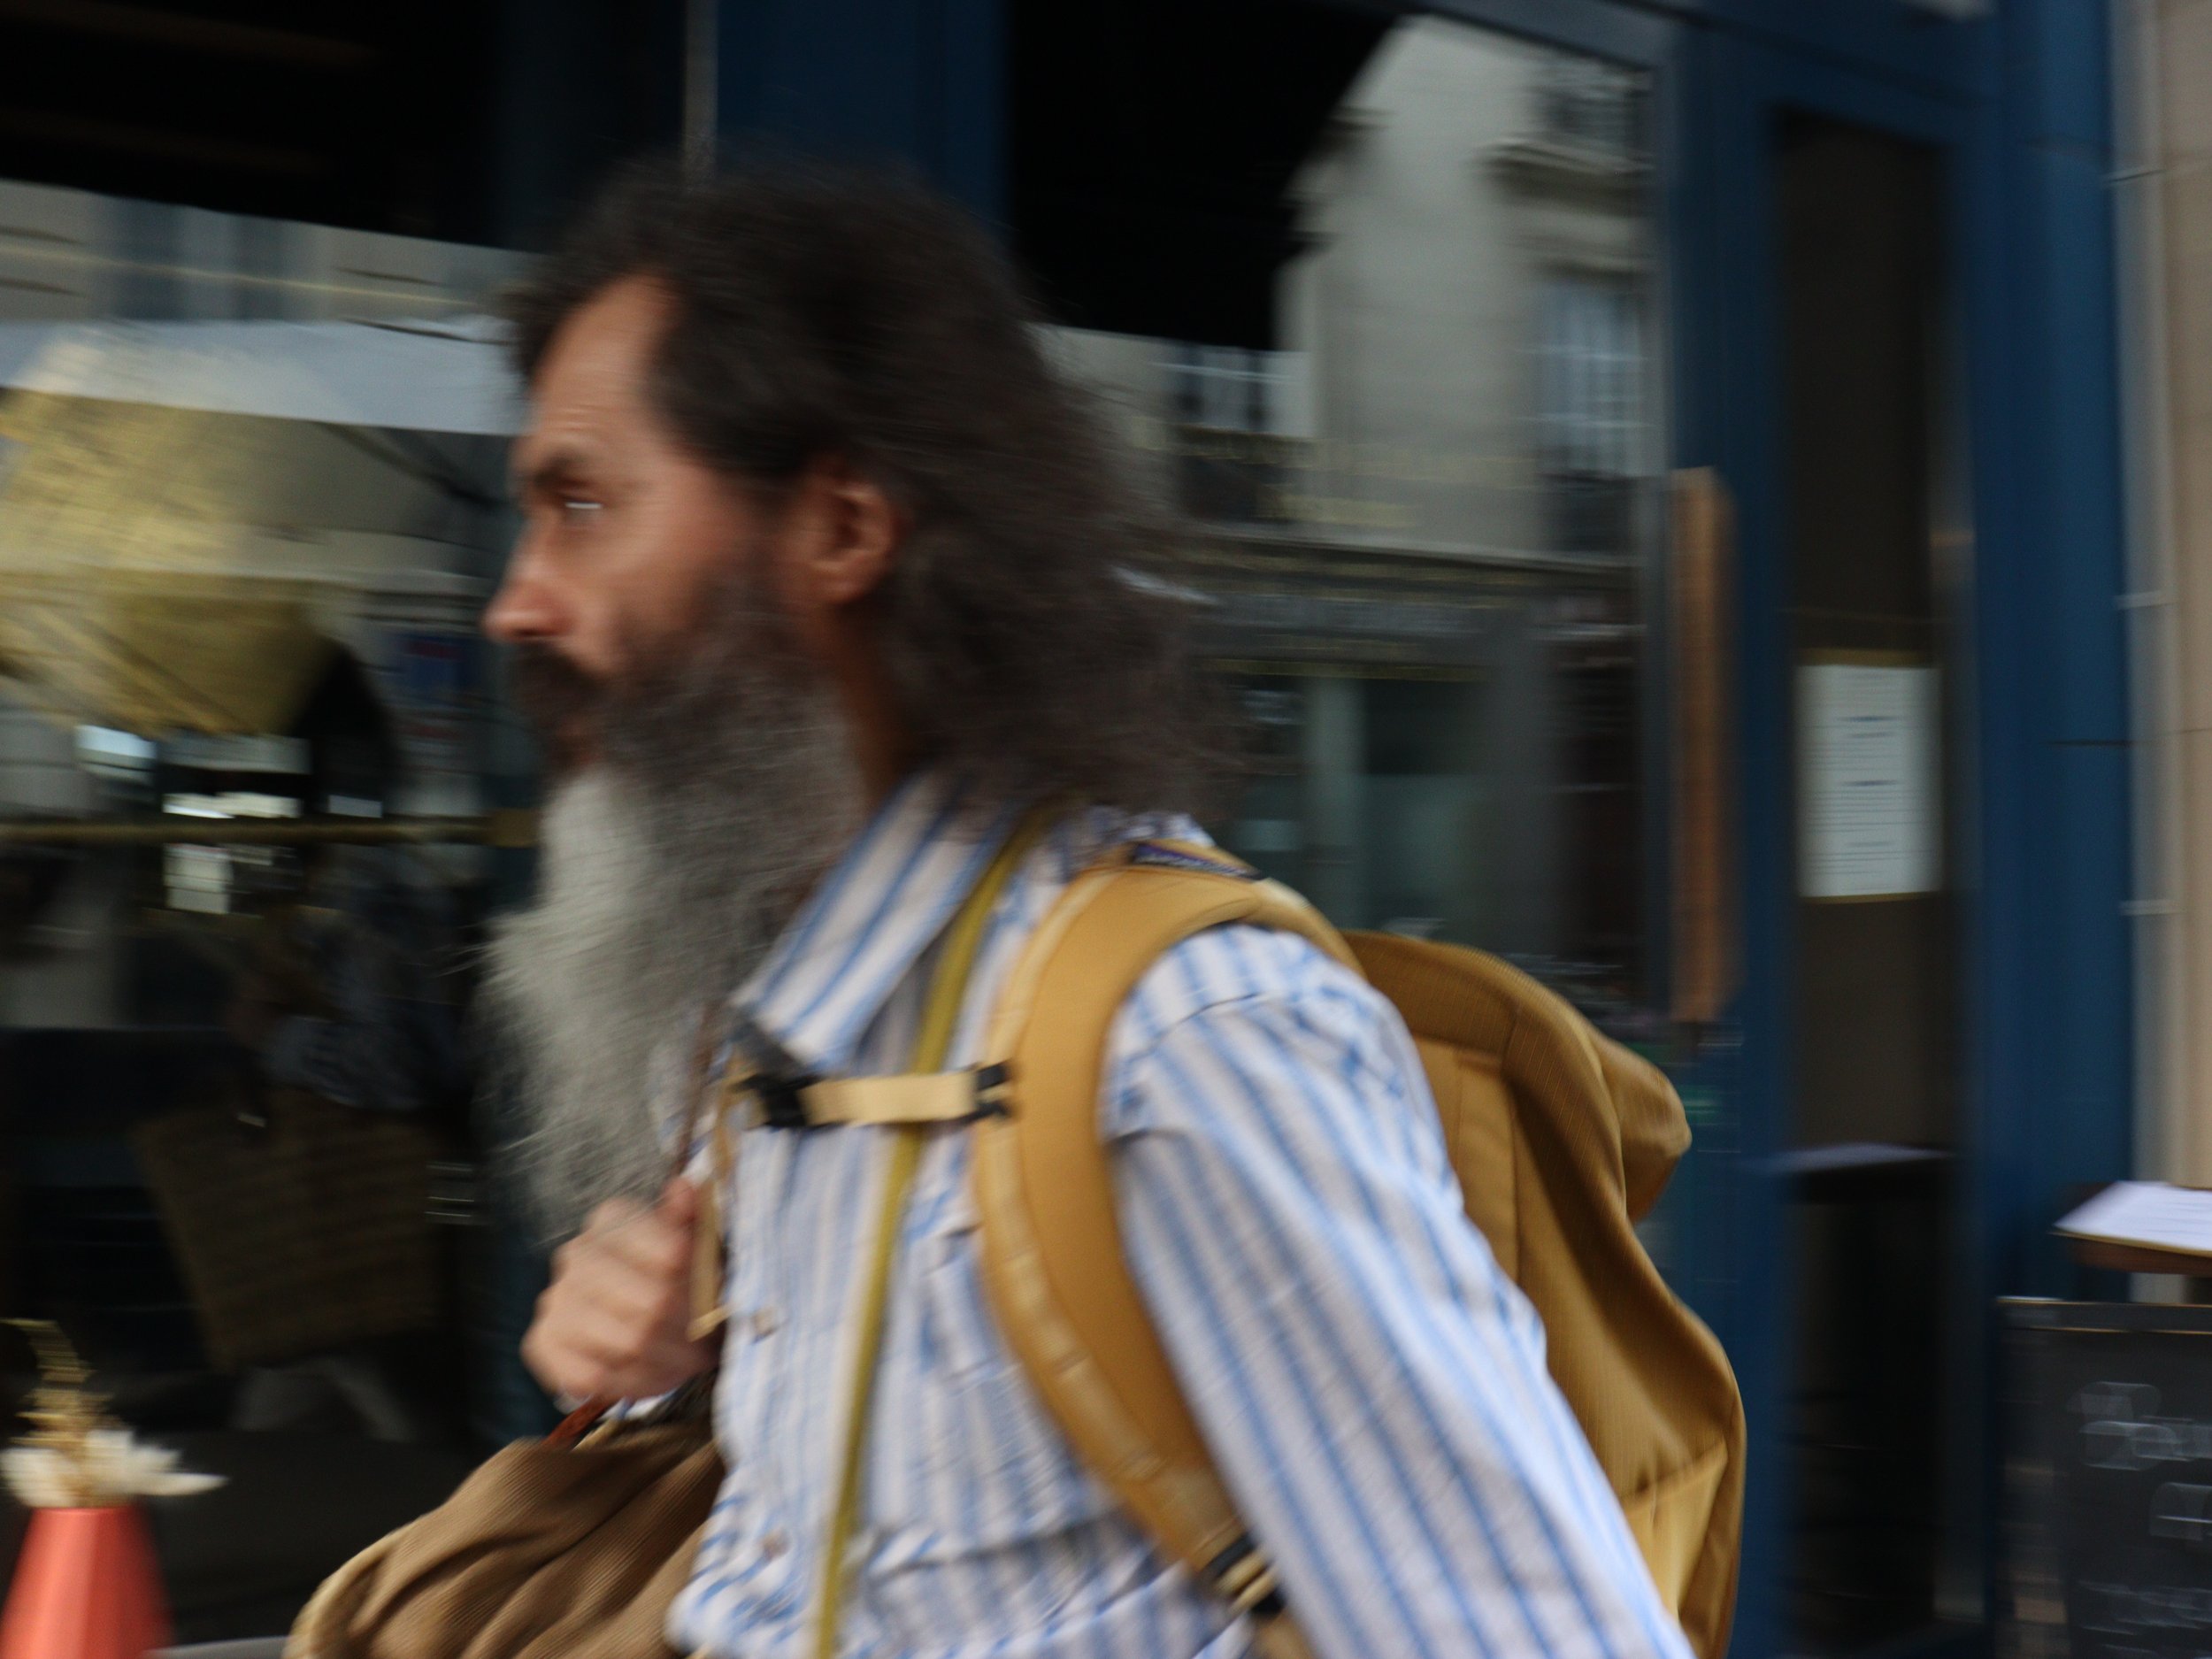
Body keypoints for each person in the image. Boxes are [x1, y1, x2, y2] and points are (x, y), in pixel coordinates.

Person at [484, 160, 1692, 1659]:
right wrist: (669, 1369)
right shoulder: (752, 1028)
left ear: (844, 530)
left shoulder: (1183, 1039)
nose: (517, 599)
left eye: (584, 504)